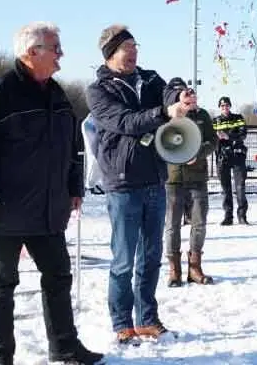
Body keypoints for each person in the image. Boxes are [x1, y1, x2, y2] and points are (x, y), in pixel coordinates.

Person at [0, 22, 103, 365]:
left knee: (59, 277)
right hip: (3, 211)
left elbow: (70, 148)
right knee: (2, 285)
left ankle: (65, 347)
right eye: (55, 48)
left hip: (48, 210)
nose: (61, 55)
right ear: (31, 52)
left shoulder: (56, 93)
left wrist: (73, 187)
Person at [86, 25, 193, 344]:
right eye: (126, 48)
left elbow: (168, 90)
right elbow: (125, 122)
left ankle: (147, 318)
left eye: (135, 46)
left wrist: (179, 94)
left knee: (151, 256)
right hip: (122, 183)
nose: (133, 52)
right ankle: (121, 321)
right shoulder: (98, 90)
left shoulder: (149, 78)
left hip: (154, 179)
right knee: (123, 259)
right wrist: (163, 112)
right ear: (109, 54)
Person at [163, 78, 216, 287]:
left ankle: (195, 267)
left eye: (188, 94)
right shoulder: (167, 116)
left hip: (198, 177)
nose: (187, 98)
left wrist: (200, 153)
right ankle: (174, 269)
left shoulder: (202, 115)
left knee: (199, 224)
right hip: (173, 178)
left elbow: (212, 141)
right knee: (172, 225)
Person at [212, 97, 249, 225]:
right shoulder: (215, 121)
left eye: (227, 105)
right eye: (222, 106)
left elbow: (243, 134)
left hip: (237, 155)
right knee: (225, 189)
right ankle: (228, 216)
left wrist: (228, 136)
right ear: (219, 107)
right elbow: (211, 139)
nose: (225, 108)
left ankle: (242, 216)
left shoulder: (238, 118)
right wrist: (216, 138)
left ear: (230, 106)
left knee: (240, 187)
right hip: (223, 157)